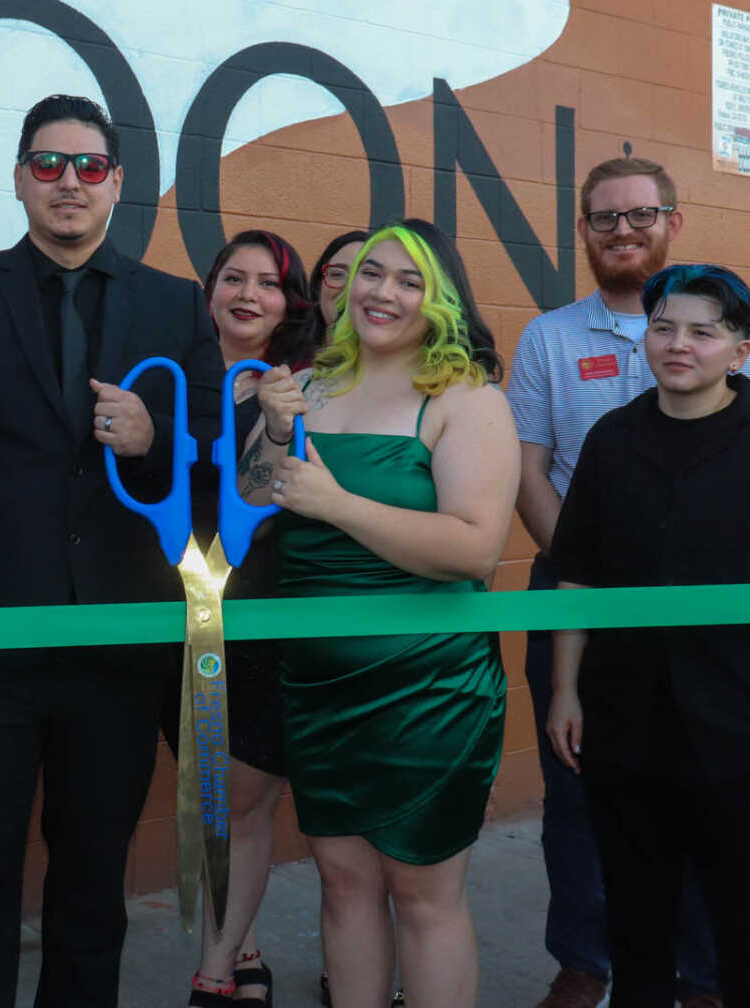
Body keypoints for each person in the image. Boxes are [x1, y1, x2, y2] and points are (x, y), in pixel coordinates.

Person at [0, 94, 220, 1008]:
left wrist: (155, 439)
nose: (70, 182)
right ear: (21, 179)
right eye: (49, 164)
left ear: (117, 184)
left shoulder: (175, 304)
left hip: (118, 643)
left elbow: (218, 464)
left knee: (94, 877)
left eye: (89, 166)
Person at [544, 264, 750, 1008]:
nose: (678, 344)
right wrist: (565, 692)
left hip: (749, 729)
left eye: (702, 332)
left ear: (740, 352)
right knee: (638, 932)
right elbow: (577, 577)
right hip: (626, 726)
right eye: (664, 328)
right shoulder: (612, 440)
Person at [507, 155, 750, 1008]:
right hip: (575, 595)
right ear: (584, 230)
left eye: (640, 215)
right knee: (576, 784)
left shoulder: (726, 328)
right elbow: (528, 471)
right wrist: (587, 573)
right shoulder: (548, 338)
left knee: (696, 784)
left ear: (672, 223)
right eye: (605, 218)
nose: (623, 231)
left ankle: (700, 972)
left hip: (697, 603)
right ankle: (584, 960)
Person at [242, 220, 519, 1008]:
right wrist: (273, 424)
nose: (382, 292)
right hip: (318, 687)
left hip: (429, 687)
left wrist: (338, 504)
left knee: (424, 897)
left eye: (408, 280)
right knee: (342, 882)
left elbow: (475, 549)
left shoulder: (466, 398)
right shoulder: (312, 386)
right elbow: (257, 496)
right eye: (371, 272)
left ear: (441, 301)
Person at [173, 229, 319, 1006]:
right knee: (207, 799)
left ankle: (216, 972)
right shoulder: (170, 382)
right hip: (174, 614)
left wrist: (273, 419)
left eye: (267, 283)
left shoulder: (300, 388)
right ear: (210, 291)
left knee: (240, 799)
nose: (248, 295)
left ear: (288, 303)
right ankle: (244, 944)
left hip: (262, 614)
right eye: (234, 278)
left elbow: (258, 506)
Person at [309, 230, 369, 347]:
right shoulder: (287, 353)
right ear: (318, 287)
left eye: (368, 275)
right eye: (337, 274)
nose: (349, 288)